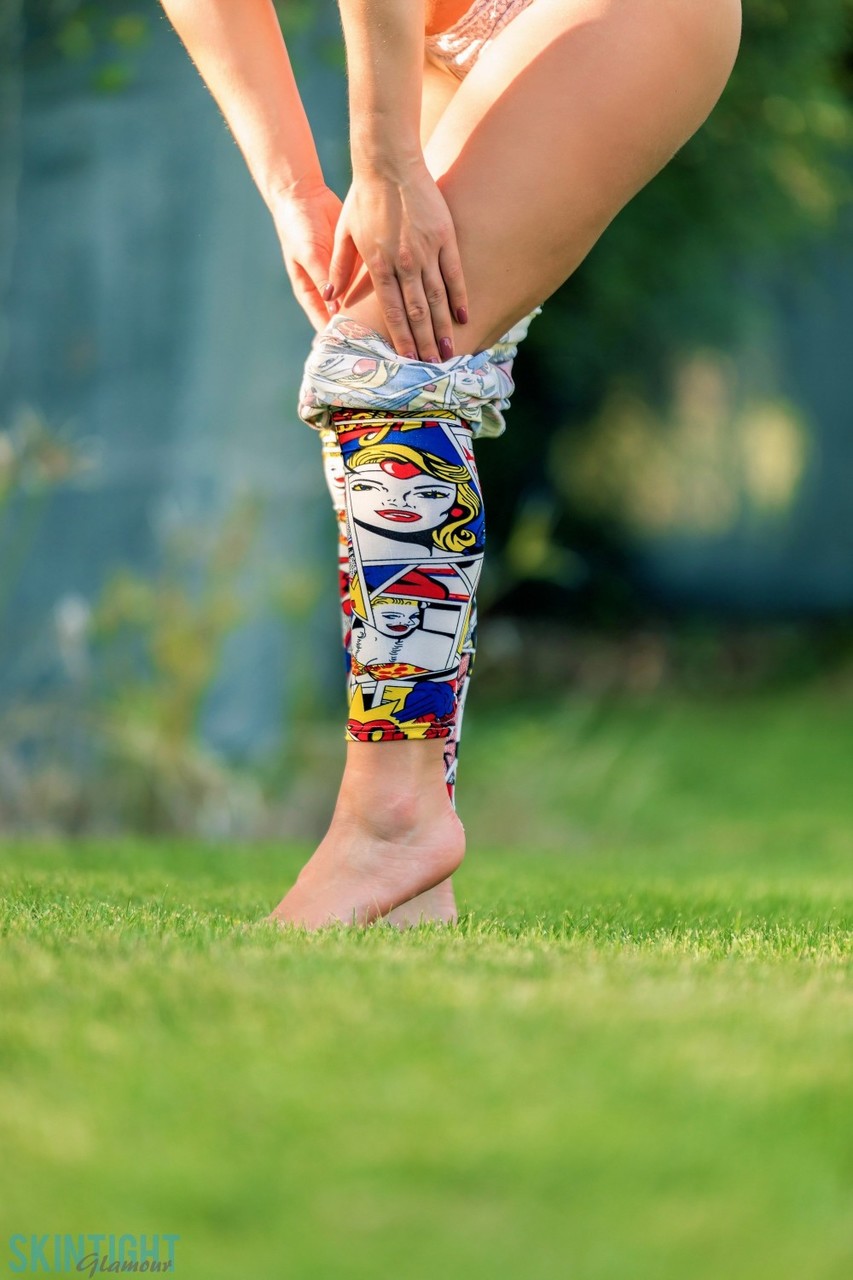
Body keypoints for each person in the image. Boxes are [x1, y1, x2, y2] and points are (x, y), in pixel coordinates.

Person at [159, 0, 742, 929]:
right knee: (398, 382)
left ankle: (391, 824)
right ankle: (411, 891)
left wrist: (387, 163)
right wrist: (291, 188)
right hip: (433, 37)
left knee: (383, 370)